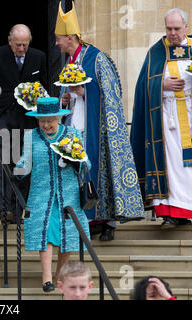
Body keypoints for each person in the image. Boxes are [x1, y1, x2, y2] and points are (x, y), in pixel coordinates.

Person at [55, 1, 144, 240]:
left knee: (101, 171)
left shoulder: (97, 58)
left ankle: (109, 223)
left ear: (70, 37)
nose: (56, 43)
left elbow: (112, 94)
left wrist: (86, 94)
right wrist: (64, 100)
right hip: (75, 126)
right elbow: (68, 95)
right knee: (81, 173)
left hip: (97, 128)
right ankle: (91, 218)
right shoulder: (69, 62)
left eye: (59, 39)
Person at [130, 8, 192, 229]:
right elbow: (142, 85)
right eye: (169, 28)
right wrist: (161, 85)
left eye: (177, 29)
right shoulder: (156, 52)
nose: (172, 33)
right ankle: (171, 213)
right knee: (171, 166)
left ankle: (188, 211)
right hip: (168, 120)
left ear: (186, 27)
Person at [14, 97, 90, 292]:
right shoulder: (31, 136)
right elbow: (25, 162)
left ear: (58, 118)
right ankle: (47, 278)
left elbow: (86, 165)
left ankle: (59, 276)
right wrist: (17, 170)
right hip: (42, 194)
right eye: (42, 120)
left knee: (68, 236)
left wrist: (74, 161)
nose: (46, 124)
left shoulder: (72, 134)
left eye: (50, 120)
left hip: (69, 194)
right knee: (45, 232)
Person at [0, 24, 48, 224]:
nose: (21, 49)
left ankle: (20, 209)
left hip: (27, 118)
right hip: (3, 115)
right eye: (18, 44)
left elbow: (44, 85)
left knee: (25, 163)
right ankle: (4, 210)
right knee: (3, 164)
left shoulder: (39, 57)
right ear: (9, 41)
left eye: (25, 45)